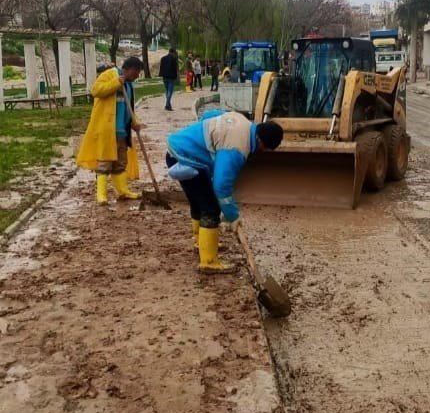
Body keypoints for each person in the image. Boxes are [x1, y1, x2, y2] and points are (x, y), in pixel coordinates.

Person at [166, 109, 284, 273]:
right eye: (265, 148)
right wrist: (233, 216)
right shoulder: (238, 147)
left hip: (177, 149)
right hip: (186, 159)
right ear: (260, 140)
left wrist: (203, 141)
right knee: (211, 208)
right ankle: (208, 261)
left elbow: (208, 115)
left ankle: (201, 242)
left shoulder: (241, 121)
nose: (263, 151)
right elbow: (221, 186)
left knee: (198, 200)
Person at [76, 56, 145, 205]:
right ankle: (101, 195)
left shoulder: (129, 85)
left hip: (122, 131)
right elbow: (96, 90)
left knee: (120, 162)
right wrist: (116, 83)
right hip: (107, 130)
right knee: (104, 162)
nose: (137, 75)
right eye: (137, 72)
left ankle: (122, 191)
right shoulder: (109, 75)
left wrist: (135, 121)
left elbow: (129, 108)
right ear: (130, 69)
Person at [159, 47, 179, 111]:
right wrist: (176, 77)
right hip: (171, 77)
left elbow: (161, 67)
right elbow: (174, 69)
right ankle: (167, 105)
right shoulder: (174, 59)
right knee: (170, 91)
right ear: (173, 52)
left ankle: (168, 105)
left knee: (167, 91)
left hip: (164, 76)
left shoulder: (163, 58)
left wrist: (161, 74)